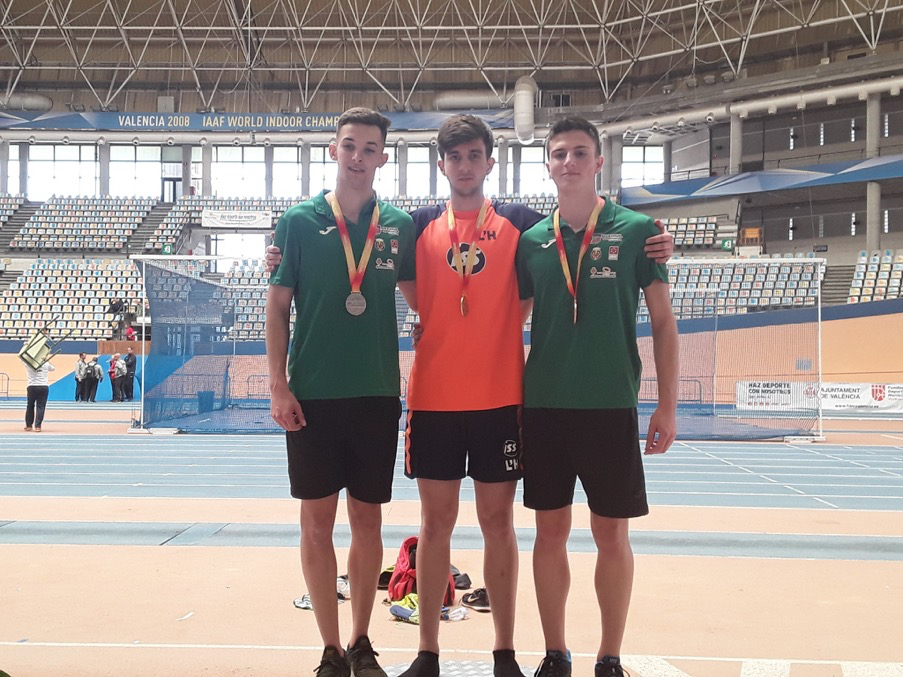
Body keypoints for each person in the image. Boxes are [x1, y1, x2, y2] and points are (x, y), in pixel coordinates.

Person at [266, 114, 674, 677]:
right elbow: (397, 287)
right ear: (441, 165)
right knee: (435, 527)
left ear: (489, 161)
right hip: (432, 401)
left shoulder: (525, 227)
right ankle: (426, 652)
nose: (464, 166)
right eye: (454, 157)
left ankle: (505, 652)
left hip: (502, 401)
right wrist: (276, 257)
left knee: (499, 525)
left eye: (474, 156)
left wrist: (657, 241)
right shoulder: (413, 227)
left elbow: (549, 273)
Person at [515, 116, 678, 677]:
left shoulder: (637, 232)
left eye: (579, 153)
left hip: (610, 405)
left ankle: (610, 656)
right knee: (549, 531)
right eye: (558, 154)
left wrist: (667, 404)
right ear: (548, 164)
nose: (568, 162)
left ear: (598, 161)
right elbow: (505, 320)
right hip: (544, 408)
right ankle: (556, 653)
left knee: (611, 532)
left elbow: (662, 322)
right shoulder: (533, 241)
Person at [266, 107, 417, 677]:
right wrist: (279, 385)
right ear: (334, 150)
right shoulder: (298, 224)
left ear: (384, 156)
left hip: (376, 393)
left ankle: (361, 641)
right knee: (315, 524)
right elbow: (278, 308)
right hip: (313, 395)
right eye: (349, 145)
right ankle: (329, 648)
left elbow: (426, 291)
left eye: (370, 148)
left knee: (369, 523)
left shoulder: (399, 225)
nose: (359, 156)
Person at [24, 357, 56, 432]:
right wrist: (47, 360)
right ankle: (38, 426)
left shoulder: (29, 364)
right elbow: (53, 368)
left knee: (30, 406)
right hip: (43, 386)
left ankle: (29, 425)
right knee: (41, 406)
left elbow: (22, 358)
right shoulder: (45, 363)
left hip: (32, 386)